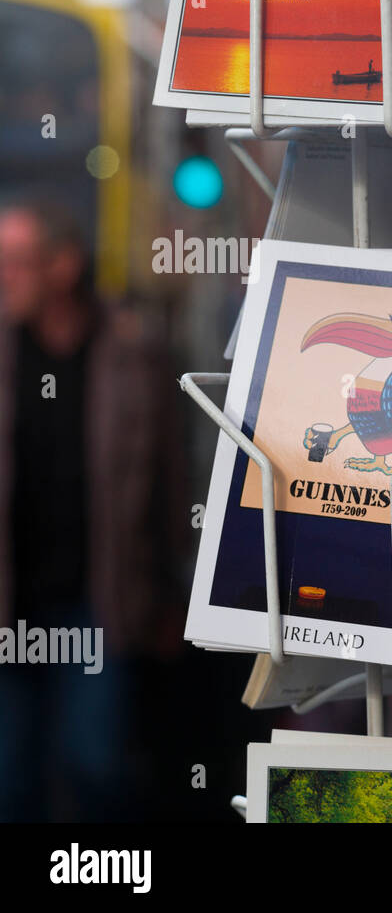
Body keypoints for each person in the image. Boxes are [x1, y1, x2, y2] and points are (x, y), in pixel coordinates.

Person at [0, 201, 183, 820]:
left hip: (96, 601)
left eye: (16, 263)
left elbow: (170, 479)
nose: (4, 277)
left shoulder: (131, 352)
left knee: (97, 764)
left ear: (63, 266)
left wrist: (169, 595)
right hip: (9, 605)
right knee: (9, 779)